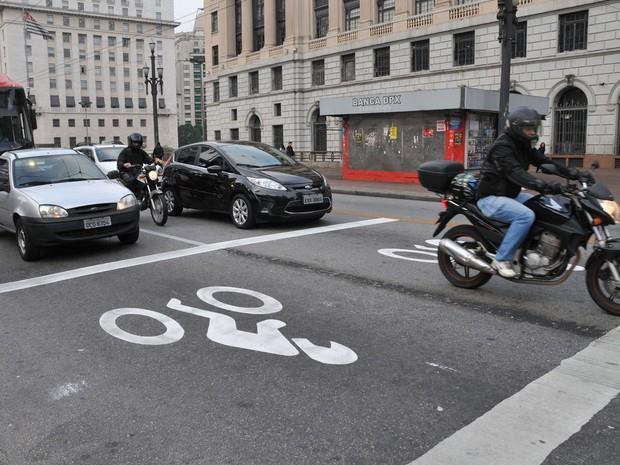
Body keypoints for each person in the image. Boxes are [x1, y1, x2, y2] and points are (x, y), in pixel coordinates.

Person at [476, 107, 591, 278]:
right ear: (517, 128)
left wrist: (574, 174)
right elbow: (516, 173)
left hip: (510, 196)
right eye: (528, 129)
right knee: (525, 216)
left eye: (534, 129)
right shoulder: (502, 147)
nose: (532, 132)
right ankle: (501, 259)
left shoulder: (522, 145)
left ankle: (529, 247)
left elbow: (544, 162)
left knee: (543, 205)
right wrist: (546, 186)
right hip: (490, 197)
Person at [117, 133, 161, 202]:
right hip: (127, 172)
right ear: (131, 142)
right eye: (135, 142)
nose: (136, 144)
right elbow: (119, 163)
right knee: (131, 181)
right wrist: (124, 164)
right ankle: (131, 199)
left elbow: (148, 159)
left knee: (150, 179)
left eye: (138, 142)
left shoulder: (141, 152)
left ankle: (145, 195)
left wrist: (155, 160)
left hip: (138, 171)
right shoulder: (125, 152)